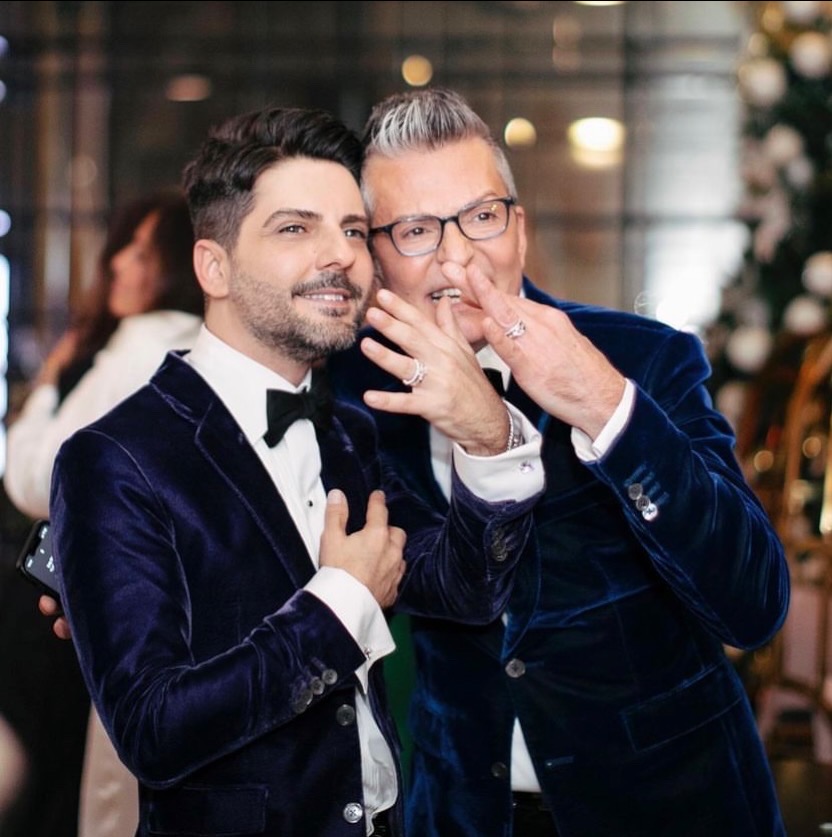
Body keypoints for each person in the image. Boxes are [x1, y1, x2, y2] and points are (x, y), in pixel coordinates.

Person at [48, 105, 544, 837]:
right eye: (295, 228)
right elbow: (153, 730)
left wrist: (491, 444)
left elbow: (465, 591)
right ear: (212, 265)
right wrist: (340, 601)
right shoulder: (115, 457)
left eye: (351, 228)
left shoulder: (351, 432)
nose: (339, 254)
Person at [327, 87, 792, 836]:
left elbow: (754, 602)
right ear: (376, 258)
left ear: (519, 227)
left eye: (481, 216)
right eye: (416, 229)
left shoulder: (644, 358)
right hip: (465, 812)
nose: (458, 254)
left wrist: (609, 406)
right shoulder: (353, 397)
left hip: (673, 808)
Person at [1, 191, 203, 837]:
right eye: (120, 249)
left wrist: (51, 383)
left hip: (70, 604)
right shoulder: (199, 351)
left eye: (140, 253)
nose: (117, 266)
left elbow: (38, 477)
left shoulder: (145, 343)